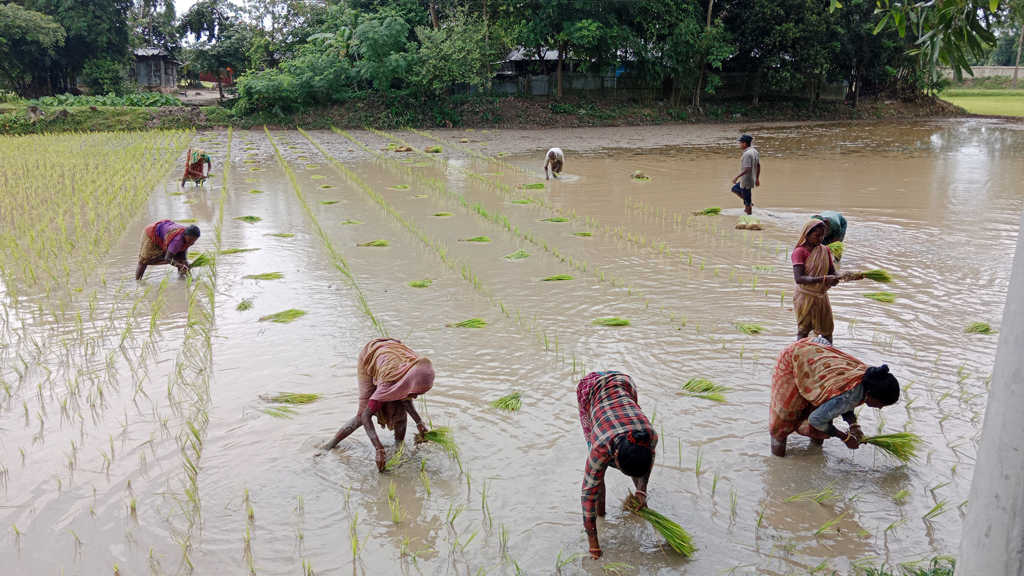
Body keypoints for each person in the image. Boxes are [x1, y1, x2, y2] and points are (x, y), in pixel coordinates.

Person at [769, 337, 901, 457]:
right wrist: (845, 438)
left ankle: (814, 454)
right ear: (869, 394)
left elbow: (845, 398)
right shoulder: (851, 394)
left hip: (814, 355)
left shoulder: (869, 377)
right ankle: (777, 461)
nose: (880, 408)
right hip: (795, 358)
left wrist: (853, 424)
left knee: (820, 412)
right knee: (785, 418)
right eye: (881, 403)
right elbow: (817, 419)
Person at [319, 338, 435, 472]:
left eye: (418, 394)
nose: (414, 396)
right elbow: (365, 417)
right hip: (370, 357)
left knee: (400, 413)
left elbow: (405, 397)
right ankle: (329, 445)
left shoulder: (417, 367)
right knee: (360, 414)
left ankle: (398, 449)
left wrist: (419, 423)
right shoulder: (388, 381)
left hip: (390, 353)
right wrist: (379, 448)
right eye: (415, 393)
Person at [576, 371, 657, 560]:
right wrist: (594, 544)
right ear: (616, 455)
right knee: (598, 474)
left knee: (636, 461)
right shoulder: (600, 449)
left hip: (624, 382)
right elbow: (588, 494)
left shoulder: (649, 436)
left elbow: (647, 463)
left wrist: (642, 491)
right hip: (590, 389)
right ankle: (602, 512)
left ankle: (638, 500)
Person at [792, 219, 840, 343]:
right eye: (817, 235)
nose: (820, 238)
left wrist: (839, 277)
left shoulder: (825, 250)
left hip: (821, 297)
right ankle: (800, 356)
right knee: (803, 331)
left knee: (827, 331)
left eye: (822, 235)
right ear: (807, 234)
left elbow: (832, 272)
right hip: (805, 296)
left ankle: (828, 356)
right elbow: (799, 278)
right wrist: (824, 279)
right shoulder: (799, 252)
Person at [136, 220, 200, 280]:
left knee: (180, 258)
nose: (192, 242)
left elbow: (183, 248)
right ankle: (138, 281)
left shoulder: (190, 237)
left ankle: (182, 279)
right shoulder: (177, 241)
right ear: (185, 234)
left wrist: (185, 261)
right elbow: (167, 258)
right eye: (190, 239)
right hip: (152, 233)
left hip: (165, 234)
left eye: (194, 240)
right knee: (144, 260)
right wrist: (181, 266)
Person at [730, 134, 760, 215]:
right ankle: (748, 205)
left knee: (747, 201)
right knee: (735, 189)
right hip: (751, 178)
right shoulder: (754, 151)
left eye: (740, 143)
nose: (740, 145)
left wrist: (736, 177)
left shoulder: (747, 154)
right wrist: (757, 178)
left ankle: (749, 216)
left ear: (744, 143)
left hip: (746, 180)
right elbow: (758, 165)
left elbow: (747, 168)